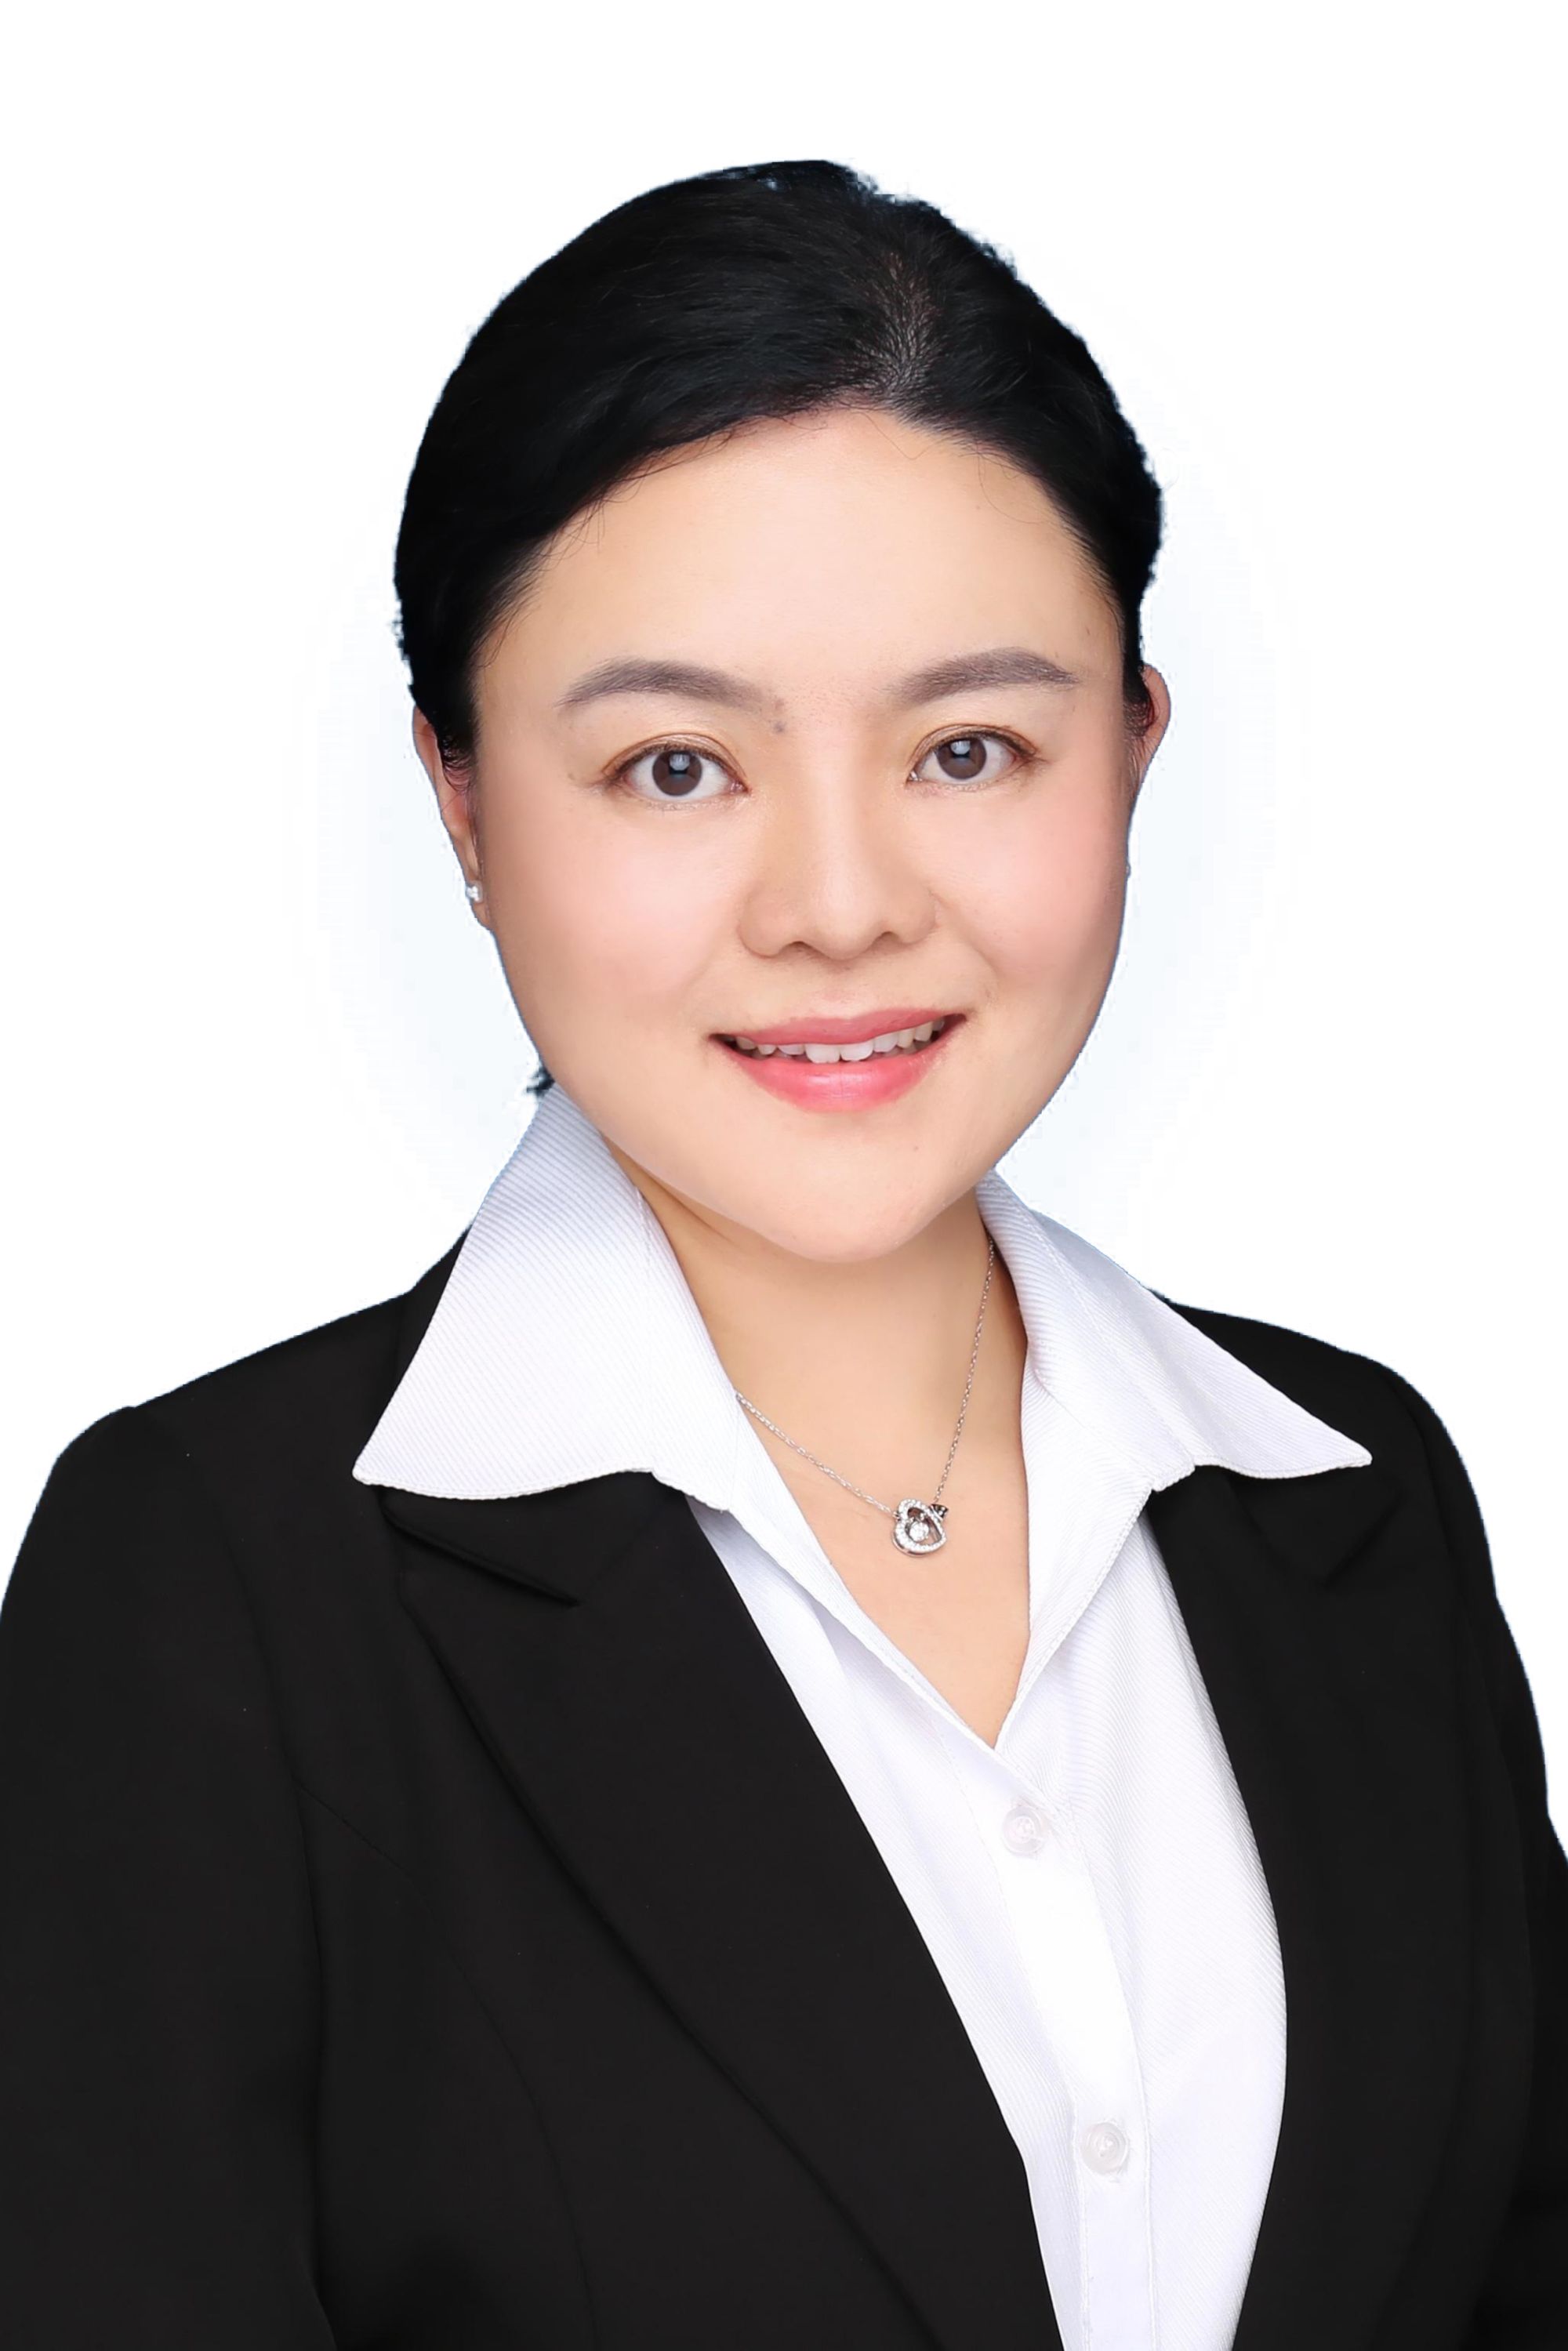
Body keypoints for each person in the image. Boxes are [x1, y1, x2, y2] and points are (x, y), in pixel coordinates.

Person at [0, 158, 1562, 2351]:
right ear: (461, 800)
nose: (840, 906)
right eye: (673, 768)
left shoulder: (1350, 1493)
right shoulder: (212, 1587)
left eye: (969, 749)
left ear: (1135, 752)